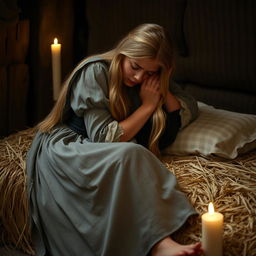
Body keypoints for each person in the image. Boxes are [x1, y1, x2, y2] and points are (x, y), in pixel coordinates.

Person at [26, 23, 202, 256]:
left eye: (150, 72)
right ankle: (160, 245)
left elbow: (190, 106)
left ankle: (162, 243)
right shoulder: (96, 71)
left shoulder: (149, 77)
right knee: (133, 153)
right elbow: (104, 137)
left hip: (96, 147)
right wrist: (148, 106)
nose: (140, 77)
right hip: (70, 147)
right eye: (135, 67)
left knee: (132, 154)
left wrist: (164, 85)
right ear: (124, 53)